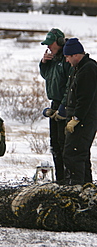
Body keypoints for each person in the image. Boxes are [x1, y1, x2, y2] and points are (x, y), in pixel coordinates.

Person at [61, 38, 97, 185]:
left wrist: (76, 118)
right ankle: (87, 189)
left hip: (84, 120)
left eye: (68, 57)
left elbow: (85, 98)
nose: (67, 61)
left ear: (75, 55)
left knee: (73, 154)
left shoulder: (88, 69)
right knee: (81, 154)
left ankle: (76, 187)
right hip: (82, 119)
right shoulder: (80, 68)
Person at [39, 28, 72, 181]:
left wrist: (63, 106)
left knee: (63, 142)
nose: (48, 47)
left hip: (64, 104)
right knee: (54, 144)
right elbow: (47, 76)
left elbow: (70, 85)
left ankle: (67, 177)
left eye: (51, 44)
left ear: (59, 42)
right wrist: (44, 63)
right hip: (55, 103)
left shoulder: (66, 59)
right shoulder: (54, 59)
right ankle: (60, 178)